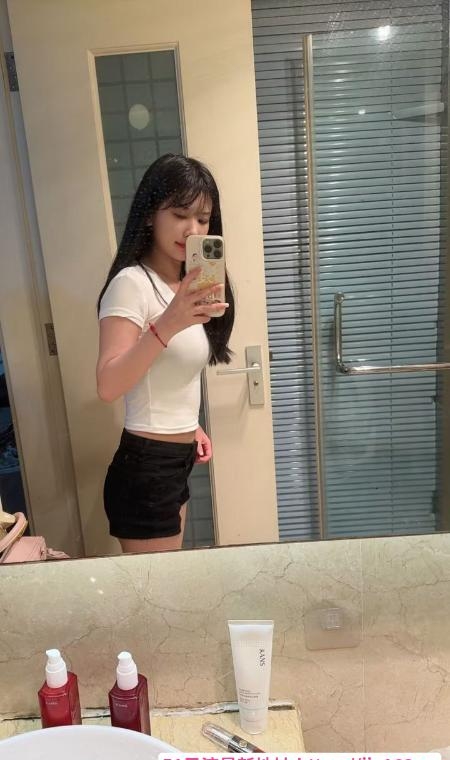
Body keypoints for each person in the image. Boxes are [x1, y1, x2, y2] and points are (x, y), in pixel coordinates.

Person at [96, 154, 234, 554]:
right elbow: (108, 385)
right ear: (148, 215)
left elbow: (166, 375)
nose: (193, 230)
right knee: (158, 589)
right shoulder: (131, 284)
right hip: (147, 467)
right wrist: (167, 324)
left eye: (203, 219)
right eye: (179, 214)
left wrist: (190, 427)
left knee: (165, 580)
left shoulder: (182, 284)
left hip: (175, 459)